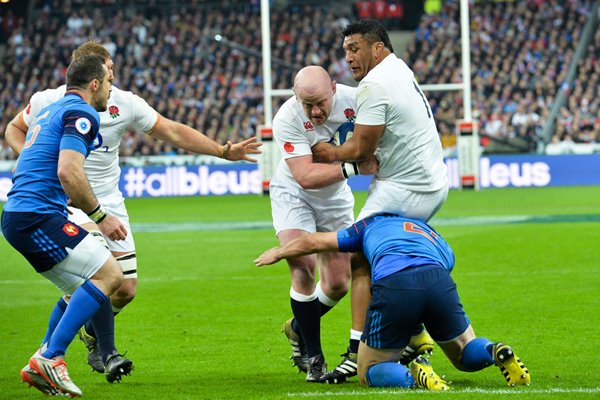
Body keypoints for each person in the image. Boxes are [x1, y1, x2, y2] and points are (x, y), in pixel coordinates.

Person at [5, 40, 262, 383]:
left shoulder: (123, 104)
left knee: (124, 290)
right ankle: (89, 353)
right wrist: (37, 164)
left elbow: (170, 129)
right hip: (74, 201)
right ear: (91, 74)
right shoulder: (49, 101)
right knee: (99, 272)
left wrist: (220, 150)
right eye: (108, 70)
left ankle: (74, 339)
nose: (114, 76)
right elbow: (14, 129)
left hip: (109, 199)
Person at [311, 19, 449, 383]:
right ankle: (410, 332)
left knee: (360, 256)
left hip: (405, 187)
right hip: (431, 181)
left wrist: (329, 153)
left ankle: (358, 352)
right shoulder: (398, 68)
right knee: (392, 255)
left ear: (378, 48)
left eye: (355, 49)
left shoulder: (374, 83)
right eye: (345, 51)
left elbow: (361, 149)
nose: (349, 58)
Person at [255, 213, 531, 390]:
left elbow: (314, 242)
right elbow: (446, 265)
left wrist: (280, 251)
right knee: (463, 352)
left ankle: (415, 377)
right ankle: (494, 350)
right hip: (438, 280)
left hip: (396, 284)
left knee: (368, 369)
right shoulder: (429, 231)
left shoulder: (367, 225)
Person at [2, 54, 122, 397]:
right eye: (110, 82)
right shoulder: (81, 113)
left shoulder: (49, 109)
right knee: (110, 276)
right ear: (94, 84)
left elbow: (33, 158)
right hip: (36, 216)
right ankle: (52, 357)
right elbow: (68, 171)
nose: (111, 89)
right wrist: (102, 216)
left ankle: (40, 361)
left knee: (77, 290)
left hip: (22, 215)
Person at [269, 65, 376, 382]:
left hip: (335, 197)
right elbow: (304, 176)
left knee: (339, 283)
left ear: (333, 88)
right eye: (307, 104)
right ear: (295, 96)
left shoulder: (357, 100)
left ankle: (297, 328)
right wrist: (355, 169)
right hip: (293, 193)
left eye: (320, 103)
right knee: (301, 265)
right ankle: (314, 358)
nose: (315, 111)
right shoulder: (287, 118)